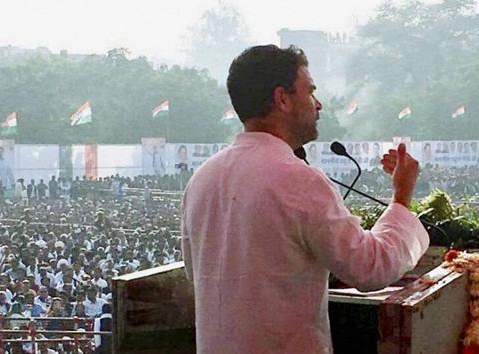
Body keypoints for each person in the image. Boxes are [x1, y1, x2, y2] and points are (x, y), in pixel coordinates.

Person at [180, 45, 429, 353]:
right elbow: (369, 267)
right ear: (282, 98)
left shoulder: (202, 179)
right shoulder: (299, 180)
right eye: (310, 91)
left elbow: (200, 274)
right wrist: (402, 195)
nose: (318, 103)